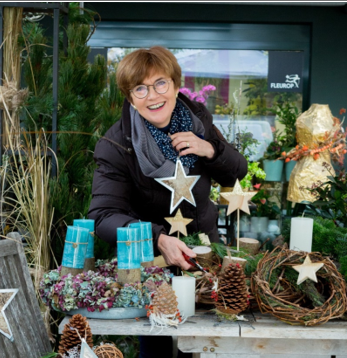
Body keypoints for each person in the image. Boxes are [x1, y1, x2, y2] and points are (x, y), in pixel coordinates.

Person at [88, 46, 247, 358]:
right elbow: (102, 216)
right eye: (140, 88)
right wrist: (157, 238)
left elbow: (238, 172)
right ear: (130, 96)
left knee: (205, 347)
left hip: (204, 262)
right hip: (151, 267)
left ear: (175, 85)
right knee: (157, 349)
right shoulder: (116, 144)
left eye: (160, 83)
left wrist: (210, 150)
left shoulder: (200, 123)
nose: (152, 95)